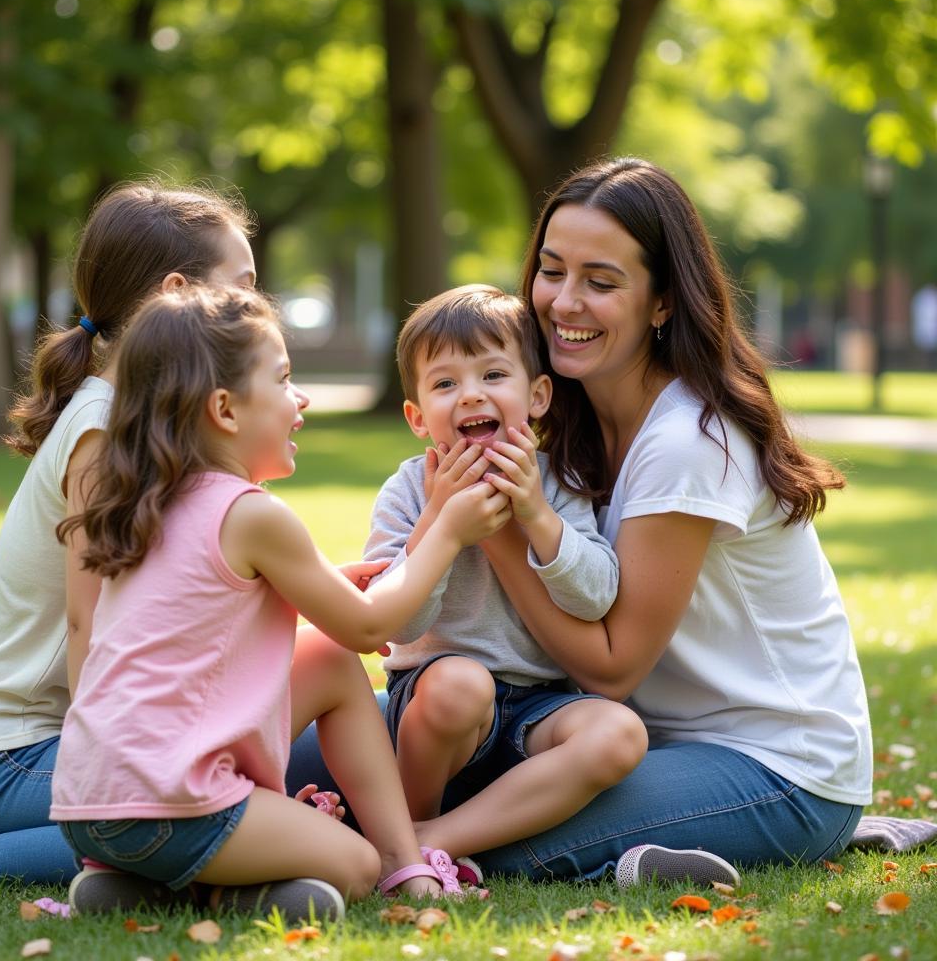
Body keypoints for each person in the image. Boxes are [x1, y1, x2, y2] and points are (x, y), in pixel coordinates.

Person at [288, 158, 871, 887]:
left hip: (771, 764)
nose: (565, 302)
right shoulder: (566, 420)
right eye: (552, 271)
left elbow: (612, 666)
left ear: (661, 303)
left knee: (507, 841)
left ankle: (402, 850)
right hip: (547, 717)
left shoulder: (688, 439)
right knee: (295, 757)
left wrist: (495, 528)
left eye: (601, 282)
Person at [51, 284, 512, 919]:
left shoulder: (148, 502)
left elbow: (210, 616)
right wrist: (448, 531)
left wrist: (321, 585)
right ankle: (384, 866)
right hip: (172, 802)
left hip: (89, 807)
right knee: (353, 864)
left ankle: (135, 887)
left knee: (325, 661)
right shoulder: (252, 515)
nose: (302, 400)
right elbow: (371, 626)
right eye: (284, 378)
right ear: (225, 410)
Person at [0, 181, 258, 890]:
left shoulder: (136, 415)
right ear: (176, 291)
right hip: (9, 758)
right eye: (244, 288)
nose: (258, 310)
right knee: (201, 810)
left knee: (264, 780)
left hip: (47, 746)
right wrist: (120, 772)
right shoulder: (104, 426)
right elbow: (87, 619)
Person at [365, 285, 646, 867]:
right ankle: (406, 825)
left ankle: (417, 844)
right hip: (434, 700)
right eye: (445, 384)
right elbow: (397, 623)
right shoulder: (408, 491)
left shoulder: (558, 482)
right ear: (418, 417)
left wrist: (538, 517)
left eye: (493, 375)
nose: (470, 396)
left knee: (619, 733)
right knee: (461, 684)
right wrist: (440, 524)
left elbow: (596, 598)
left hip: (537, 704)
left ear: (538, 395)